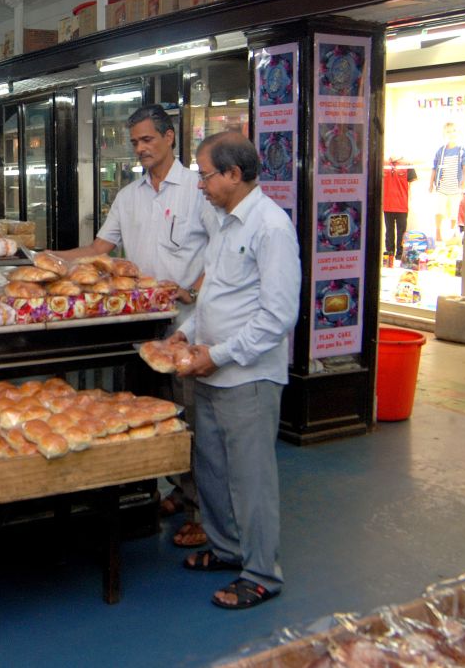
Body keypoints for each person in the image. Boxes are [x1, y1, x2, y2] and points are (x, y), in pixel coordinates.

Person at [52, 104, 210, 548]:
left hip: (186, 325)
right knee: (153, 411)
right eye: (135, 141)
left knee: (190, 416)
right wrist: (51, 260)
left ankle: (199, 510)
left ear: (169, 137)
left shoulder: (198, 191)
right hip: (141, 328)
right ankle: (173, 491)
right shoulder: (129, 196)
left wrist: (193, 289)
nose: (140, 148)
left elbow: (220, 250)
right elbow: (100, 248)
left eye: (147, 140)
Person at [171, 131, 300, 610]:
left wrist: (219, 354)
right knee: (213, 471)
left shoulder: (271, 226)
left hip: (247, 376)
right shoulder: (223, 222)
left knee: (251, 480)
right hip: (209, 370)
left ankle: (262, 573)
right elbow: (216, 295)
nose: (200, 184)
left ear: (233, 174)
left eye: (205, 175)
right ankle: (226, 550)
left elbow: (277, 315)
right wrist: (187, 332)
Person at [429, 122, 465, 243]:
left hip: (455, 187)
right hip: (442, 186)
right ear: (444, 134)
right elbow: (434, 167)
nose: (452, 134)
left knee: (454, 211)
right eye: (449, 131)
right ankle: (438, 232)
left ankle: (453, 232)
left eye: (454, 131)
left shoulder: (462, 151)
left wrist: (464, 182)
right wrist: (431, 183)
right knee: (439, 210)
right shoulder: (441, 151)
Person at [382, 158, 416, 262]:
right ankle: (389, 255)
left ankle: (400, 255)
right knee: (389, 232)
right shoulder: (383, 164)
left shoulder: (407, 164)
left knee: (401, 232)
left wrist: (410, 200)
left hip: (402, 205)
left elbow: (412, 186)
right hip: (387, 205)